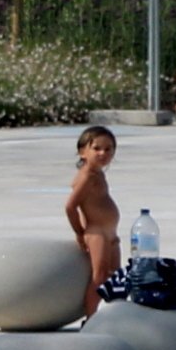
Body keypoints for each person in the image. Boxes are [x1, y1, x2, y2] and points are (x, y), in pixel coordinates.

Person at [62, 125, 124, 321]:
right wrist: (81, 232)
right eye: (96, 148)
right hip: (97, 232)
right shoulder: (87, 177)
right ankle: (90, 318)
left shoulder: (98, 174)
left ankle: (114, 317)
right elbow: (71, 206)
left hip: (109, 232)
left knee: (115, 276)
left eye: (108, 149)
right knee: (99, 278)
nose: (103, 153)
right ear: (82, 152)